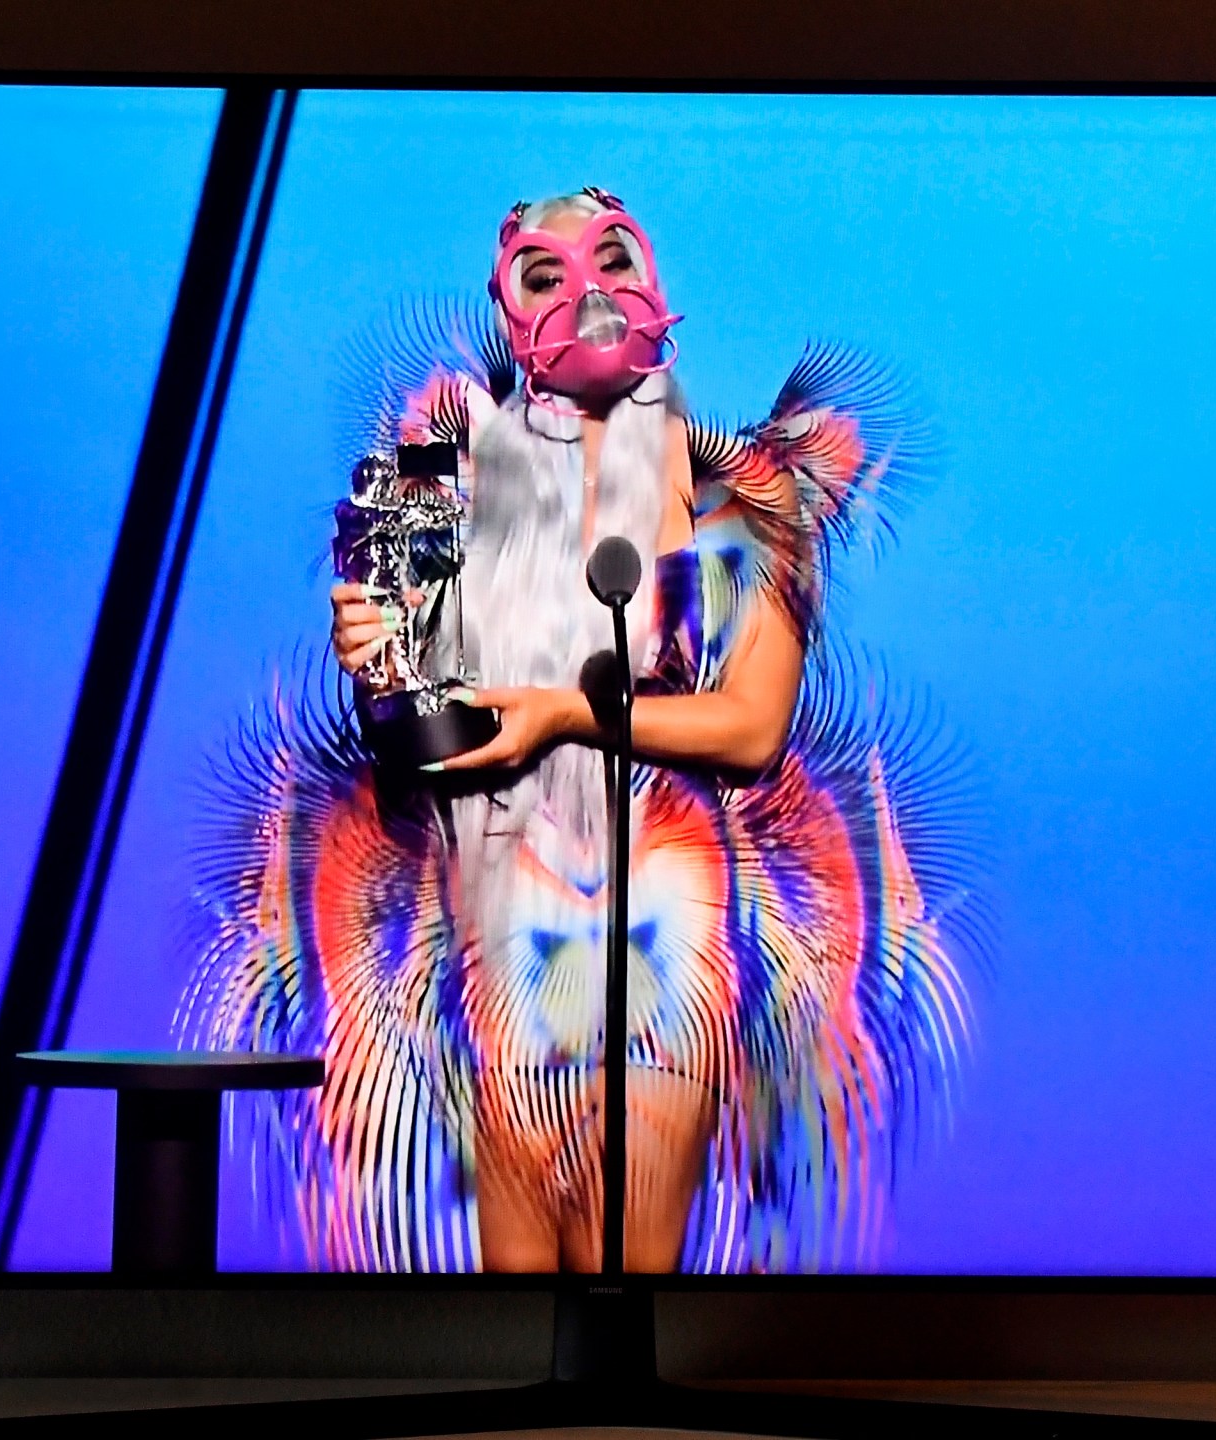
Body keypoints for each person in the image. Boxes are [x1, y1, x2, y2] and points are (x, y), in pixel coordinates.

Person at [183, 188, 971, 1275]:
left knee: (629, 1267)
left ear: (657, 286)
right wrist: (373, 651)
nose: (588, 291)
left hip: (663, 911)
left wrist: (560, 711)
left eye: (612, 259)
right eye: (544, 275)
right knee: (514, 1287)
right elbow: (415, 723)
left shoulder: (744, 500)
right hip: (495, 906)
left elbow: (749, 728)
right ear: (510, 315)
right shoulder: (442, 486)